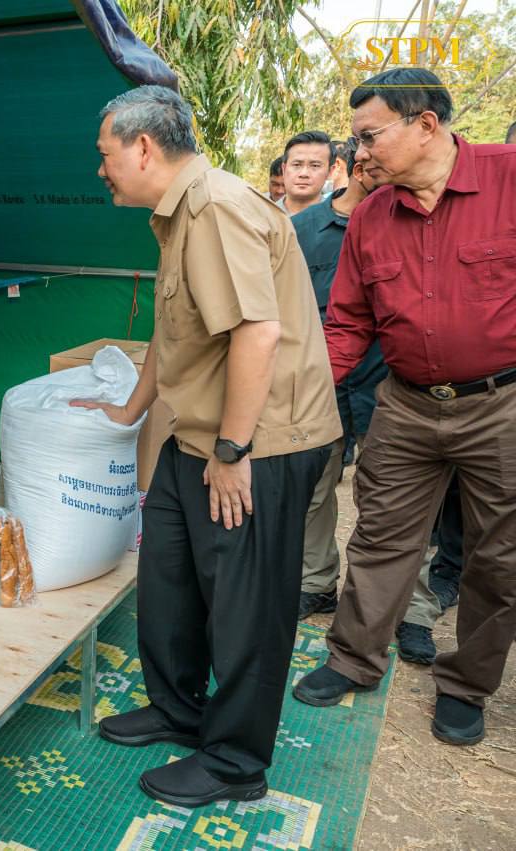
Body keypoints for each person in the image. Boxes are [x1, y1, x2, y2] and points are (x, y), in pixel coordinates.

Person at [82, 85, 338, 808]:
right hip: (197, 432)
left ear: (142, 147)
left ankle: (234, 762)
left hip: (258, 441)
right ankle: (178, 708)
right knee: (167, 578)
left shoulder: (217, 207)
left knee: (244, 605)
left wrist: (232, 452)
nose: (100, 169)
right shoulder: (178, 213)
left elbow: (257, 333)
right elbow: (176, 330)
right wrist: (132, 409)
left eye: (104, 154)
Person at [293, 68, 516, 748]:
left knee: (499, 557)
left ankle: (466, 684)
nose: (358, 154)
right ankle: (352, 659)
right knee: (380, 536)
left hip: (502, 405)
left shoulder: (508, 178)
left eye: (369, 136)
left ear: (425, 124)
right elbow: (348, 323)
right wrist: (295, 396)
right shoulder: (370, 215)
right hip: (406, 404)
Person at [278, 130, 335, 214]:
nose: (304, 174)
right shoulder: (262, 216)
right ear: (284, 169)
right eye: (296, 165)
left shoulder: (342, 218)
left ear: (330, 172)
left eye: (315, 166)